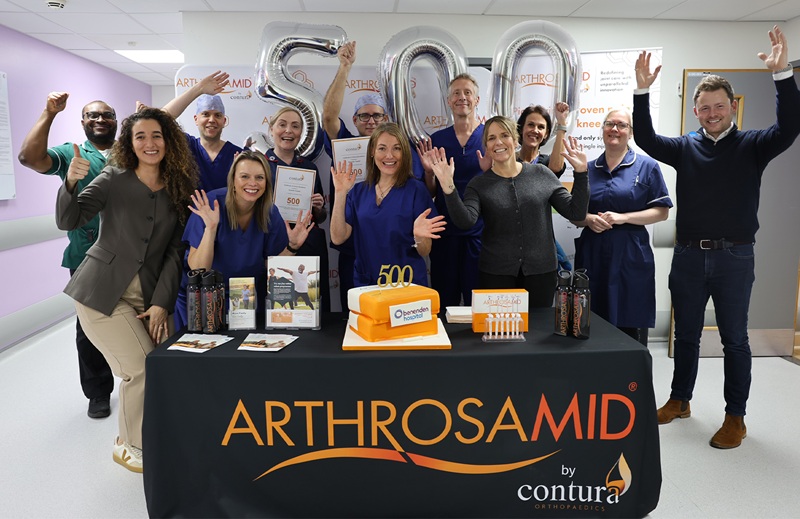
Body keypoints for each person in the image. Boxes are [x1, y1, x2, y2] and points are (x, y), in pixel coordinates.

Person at [634, 25, 800, 449]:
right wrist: (641, 92)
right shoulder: (685, 147)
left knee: (734, 340)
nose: (712, 113)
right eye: (704, 107)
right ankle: (680, 400)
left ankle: (735, 417)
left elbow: (790, 127)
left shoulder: (753, 144)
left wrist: (782, 75)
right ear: (696, 110)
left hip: (734, 259)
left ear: (731, 107)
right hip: (689, 258)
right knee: (685, 334)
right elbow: (647, 138)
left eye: (719, 106)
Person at [55, 107, 197, 472]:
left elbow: (173, 253)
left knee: (155, 367)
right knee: (141, 369)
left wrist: (163, 302)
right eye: (140, 137)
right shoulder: (113, 177)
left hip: (145, 297)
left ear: (168, 141)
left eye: (156, 136)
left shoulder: (178, 186)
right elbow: (69, 219)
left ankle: (131, 437)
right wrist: (70, 182)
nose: (149, 143)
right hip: (101, 292)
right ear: (129, 144)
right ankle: (132, 447)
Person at [18, 93, 115, 419]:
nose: (100, 119)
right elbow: (29, 158)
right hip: (86, 256)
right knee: (88, 329)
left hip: (132, 254)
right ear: (83, 122)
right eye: (92, 115)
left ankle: (143, 382)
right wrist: (48, 113)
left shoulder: (129, 151)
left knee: (141, 320)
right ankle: (98, 393)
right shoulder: (72, 154)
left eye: (106, 115)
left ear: (117, 122)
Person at [428, 115, 588, 308]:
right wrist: (448, 187)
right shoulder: (479, 184)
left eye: (504, 135)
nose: (498, 142)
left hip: (541, 273)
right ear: (486, 146)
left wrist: (581, 173)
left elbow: (576, 213)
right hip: (495, 275)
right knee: (499, 336)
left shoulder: (541, 174)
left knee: (538, 334)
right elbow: (466, 221)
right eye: (492, 138)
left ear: (515, 139)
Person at [321, 40, 424, 309]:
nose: (371, 122)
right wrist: (345, 67)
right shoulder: (346, 144)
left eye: (377, 116)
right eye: (364, 117)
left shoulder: (405, 165)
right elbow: (329, 117)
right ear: (354, 121)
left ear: (386, 118)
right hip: (355, 248)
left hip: (397, 257)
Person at [174, 151, 314, 330]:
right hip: (204, 300)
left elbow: (271, 266)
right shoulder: (211, 204)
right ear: (233, 180)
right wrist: (210, 228)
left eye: (259, 177)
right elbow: (199, 269)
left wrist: (292, 247)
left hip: (244, 299)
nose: (253, 183)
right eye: (245, 176)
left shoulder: (270, 212)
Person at [571, 108, 672, 346]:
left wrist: (623, 218)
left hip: (630, 254)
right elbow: (574, 215)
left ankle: (630, 378)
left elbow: (662, 211)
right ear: (603, 130)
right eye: (609, 124)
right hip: (593, 253)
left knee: (629, 321)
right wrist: (588, 220)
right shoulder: (587, 169)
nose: (614, 129)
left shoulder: (647, 167)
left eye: (621, 125)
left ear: (631, 133)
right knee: (590, 319)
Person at [330, 123, 445, 287]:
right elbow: (338, 237)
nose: (389, 155)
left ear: (404, 153)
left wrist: (419, 237)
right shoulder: (358, 192)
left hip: (406, 286)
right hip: (367, 285)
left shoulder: (416, 190)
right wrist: (340, 193)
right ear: (372, 152)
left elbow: (424, 250)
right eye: (382, 148)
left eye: (396, 148)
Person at [418, 73, 484, 306]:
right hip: (445, 232)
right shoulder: (437, 140)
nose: (462, 97)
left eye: (467, 93)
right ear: (448, 101)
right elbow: (430, 191)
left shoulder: (489, 137)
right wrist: (428, 171)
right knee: (445, 302)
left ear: (477, 100)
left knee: (477, 303)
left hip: (480, 233)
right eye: (456, 93)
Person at [265, 106, 331, 311]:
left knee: (313, 304)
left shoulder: (309, 167)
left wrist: (318, 207)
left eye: (295, 126)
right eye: (282, 124)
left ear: (301, 133)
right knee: (281, 305)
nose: (288, 131)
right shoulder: (261, 164)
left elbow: (319, 217)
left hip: (309, 243)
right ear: (271, 129)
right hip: (276, 241)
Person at [161, 70, 241, 192]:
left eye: (218, 115)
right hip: (189, 211)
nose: (212, 120)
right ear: (196, 119)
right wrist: (199, 88)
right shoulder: (186, 146)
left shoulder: (237, 155)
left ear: (224, 121)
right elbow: (161, 120)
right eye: (206, 114)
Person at [517, 102, 572, 271]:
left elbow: (555, 168)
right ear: (520, 128)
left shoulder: (547, 162)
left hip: (539, 248)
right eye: (531, 125)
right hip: (510, 246)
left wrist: (561, 124)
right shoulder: (508, 161)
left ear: (546, 133)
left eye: (541, 127)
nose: (535, 130)